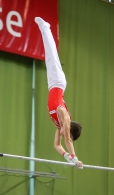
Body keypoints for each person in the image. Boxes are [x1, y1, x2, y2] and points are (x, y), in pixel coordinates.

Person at [34, 17, 83, 169]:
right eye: (67, 133)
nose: (62, 134)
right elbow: (67, 141)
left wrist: (68, 158)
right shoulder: (65, 117)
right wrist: (75, 159)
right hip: (58, 82)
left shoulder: (58, 124)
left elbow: (57, 146)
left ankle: (45, 29)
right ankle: (46, 27)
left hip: (51, 85)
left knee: (49, 56)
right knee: (51, 55)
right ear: (69, 129)